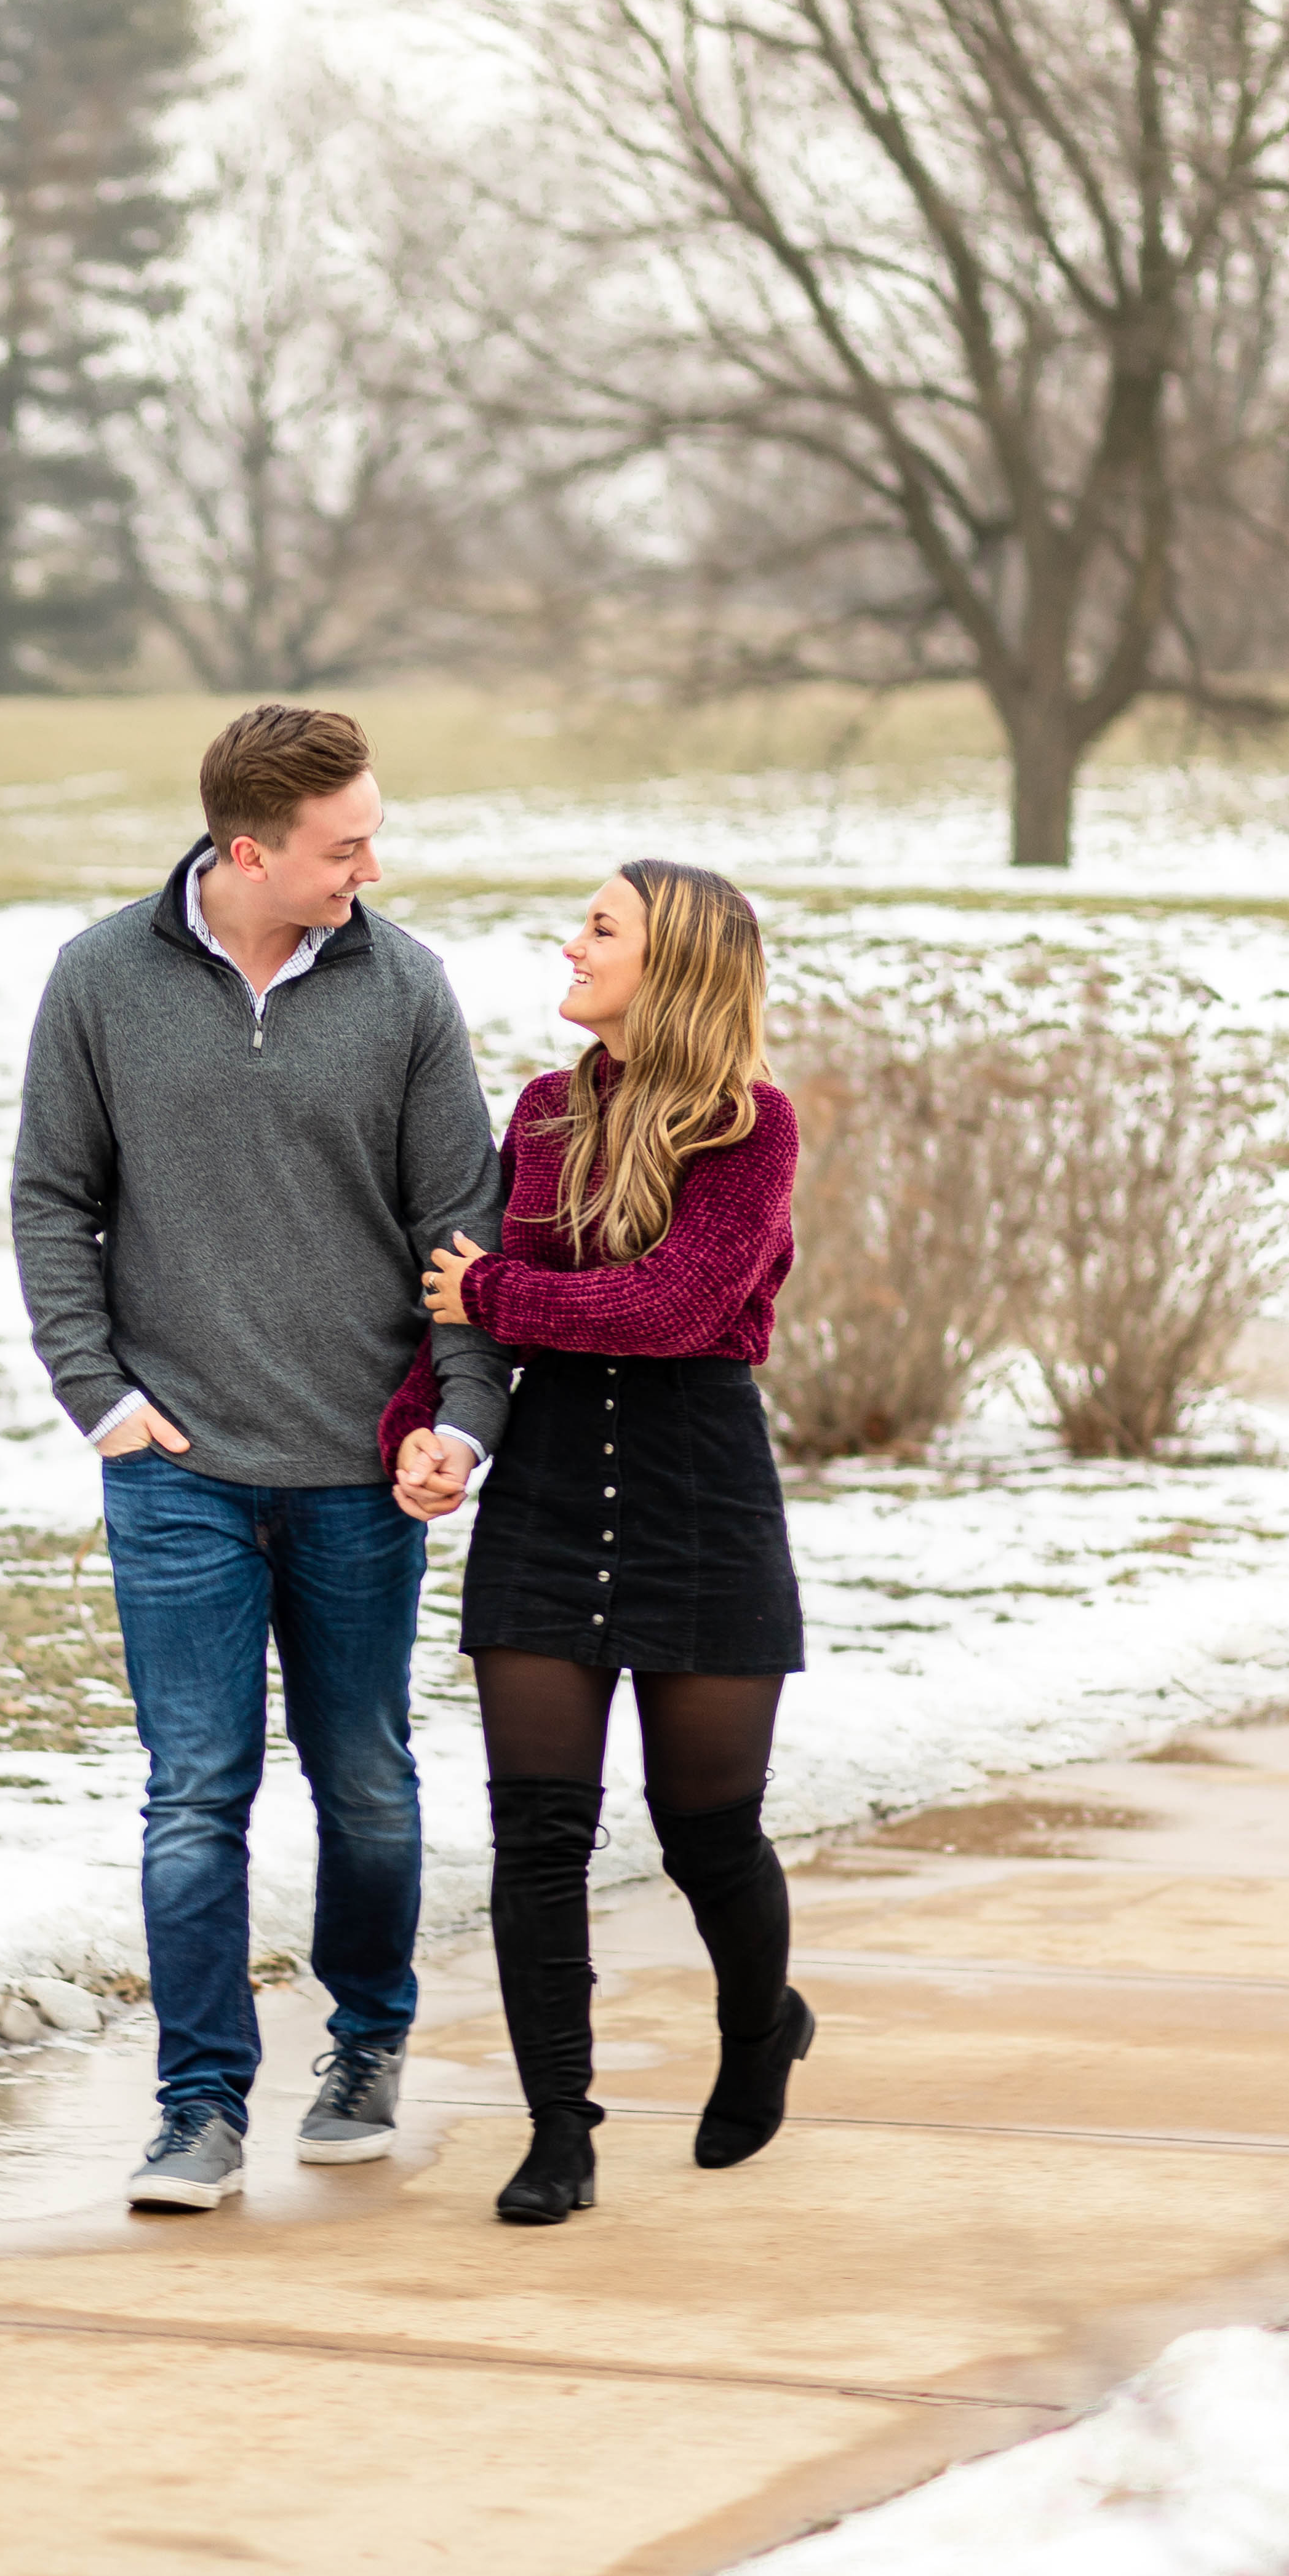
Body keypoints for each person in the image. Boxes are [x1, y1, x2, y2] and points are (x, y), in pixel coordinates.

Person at [13, 703, 511, 2212]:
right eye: (341, 843)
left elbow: (464, 1234)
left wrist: (461, 1420)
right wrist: (97, 1395)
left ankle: (364, 2047)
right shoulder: (99, 978)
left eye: (369, 834)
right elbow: (50, 1198)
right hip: (175, 1469)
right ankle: (197, 2104)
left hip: (362, 1469)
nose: (369, 862)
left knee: (362, 1776)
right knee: (192, 1790)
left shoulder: (402, 986)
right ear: (246, 849)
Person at [409, 857, 809, 2228]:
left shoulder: (749, 1126)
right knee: (536, 1836)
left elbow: (670, 1308)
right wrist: (427, 1423)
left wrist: (498, 1289)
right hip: (546, 1496)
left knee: (706, 1833)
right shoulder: (535, 1112)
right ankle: (555, 2134)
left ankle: (761, 2025)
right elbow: (453, 1304)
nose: (567, 943)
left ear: (673, 962)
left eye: (599, 926)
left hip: (698, 1493)